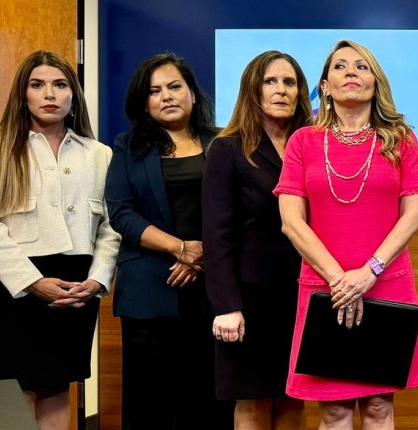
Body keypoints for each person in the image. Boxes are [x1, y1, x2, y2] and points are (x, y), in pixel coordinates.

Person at [274, 39, 418, 430]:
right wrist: (338, 279)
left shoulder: (401, 138)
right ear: (324, 86)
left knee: (379, 406)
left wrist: (369, 272)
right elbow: (291, 221)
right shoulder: (302, 141)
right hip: (324, 289)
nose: (351, 73)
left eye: (362, 67)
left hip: (385, 285)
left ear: (375, 83)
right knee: (334, 410)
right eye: (340, 67)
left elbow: (412, 216)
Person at [0, 50, 120, 430]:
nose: (50, 94)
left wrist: (98, 279)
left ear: (74, 94)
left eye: (60, 85)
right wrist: (31, 282)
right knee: (16, 386)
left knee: (59, 384)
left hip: (79, 281)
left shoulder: (99, 153)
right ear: (22, 94)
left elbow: (111, 227)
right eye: (37, 85)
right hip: (17, 283)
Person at [105, 52, 233, 429]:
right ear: (144, 102)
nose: (167, 96)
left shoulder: (224, 142)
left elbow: (241, 210)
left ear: (193, 93)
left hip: (212, 289)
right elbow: (121, 212)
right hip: (149, 289)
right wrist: (181, 248)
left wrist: (204, 254)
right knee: (151, 404)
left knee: (209, 400)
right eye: (155, 91)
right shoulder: (128, 146)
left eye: (175, 86)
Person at [203, 50, 312, 429]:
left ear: (302, 93)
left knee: (294, 399)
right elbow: (217, 235)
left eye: (289, 82)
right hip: (249, 299)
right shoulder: (227, 148)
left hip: (303, 294)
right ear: (253, 89)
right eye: (270, 81)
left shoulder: (313, 147)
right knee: (252, 401)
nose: (280, 90)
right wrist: (226, 305)